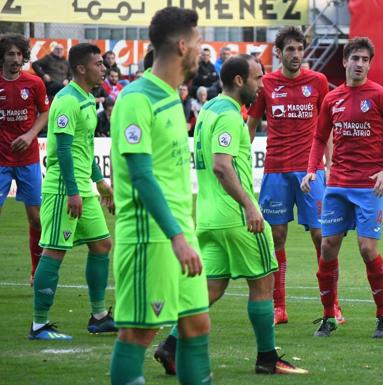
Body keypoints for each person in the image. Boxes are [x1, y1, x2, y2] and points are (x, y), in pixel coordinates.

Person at [153, 54, 308, 377]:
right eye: (257, 78)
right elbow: (222, 165)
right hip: (237, 217)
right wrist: (251, 206)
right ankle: (267, 358)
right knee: (263, 284)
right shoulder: (228, 116)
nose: (261, 84)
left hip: (209, 217)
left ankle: (171, 346)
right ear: (239, 81)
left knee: (211, 288)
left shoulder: (208, 110)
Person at [109, 7, 212, 385]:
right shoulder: (136, 99)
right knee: (137, 332)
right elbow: (141, 176)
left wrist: (185, 234)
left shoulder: (171, 97)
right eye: (199, 42)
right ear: (182, 45)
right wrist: (176, 237)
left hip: (182, 234)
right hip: (152, 239)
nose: (203, 50)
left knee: (197, 325)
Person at [301, 37, 383, 338]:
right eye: (355, 58)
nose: (360, 64)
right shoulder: (331, 99)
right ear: (345, 61)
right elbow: (319, 138)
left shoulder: (382, 96)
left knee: (367, 248)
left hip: (369, 187)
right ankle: (328, 316)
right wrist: (312, 170)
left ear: (369, 64)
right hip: (337, 186)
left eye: (365, 59)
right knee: (327, 247)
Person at [247, 26, 341, 325]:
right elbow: (251, 124)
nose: (296, 54)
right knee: (276, 236)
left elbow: (326, 128)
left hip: (311, 172)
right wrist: (239, 158)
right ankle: (279, 306)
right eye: (290, 49)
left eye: (300, 49)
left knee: (321, 237)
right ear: (279, 52)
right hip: (276, 170)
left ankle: (333, 305)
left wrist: (332, 164)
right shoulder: (267, 84)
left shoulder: (318, 81)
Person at [29, 43, 115, 341]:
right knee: (54, 250)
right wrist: (72, 191)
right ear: (81, 68)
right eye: (98, 64)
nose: (103, 68)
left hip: (83, 188)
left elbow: (84, 148)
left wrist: (100, 181)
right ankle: (39, 324)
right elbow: (63, 149)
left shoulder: (88, 100)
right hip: (64, 190)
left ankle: (99, 316)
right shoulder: (66, 101)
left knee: (102, 245)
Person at [0, 33, 50, 285]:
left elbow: (45, 112)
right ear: (2, 56)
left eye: (19, 54)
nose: (15, 59)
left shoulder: (34, 83)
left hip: (28, 160)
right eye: (10, 53)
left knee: (36, 218)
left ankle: (36, 271)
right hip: (0, 161)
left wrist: (31, 135)